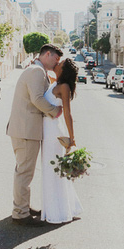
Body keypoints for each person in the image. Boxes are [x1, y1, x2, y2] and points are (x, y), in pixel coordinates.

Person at [6, 44, 63, 226]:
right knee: (24, 172)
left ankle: (22, 206)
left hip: (25, 129)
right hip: (25, 130)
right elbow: (37, 99)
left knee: (24, 170)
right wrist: (56, 111)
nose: (57, 62)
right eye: (56, 58)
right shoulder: (36, 71)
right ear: (47, 54)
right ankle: (20, 213)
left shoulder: (37, 69)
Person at [40, 57, 83, 224]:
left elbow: (67, 113)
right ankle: (62, 207)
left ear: (64, 71)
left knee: (53, 172)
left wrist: (72, 138)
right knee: (50, 170)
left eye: (60, 64)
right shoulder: (55, 83)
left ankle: (58, 211)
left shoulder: (63, 87)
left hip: (53, 133)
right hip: (47, 131)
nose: (57, 64)